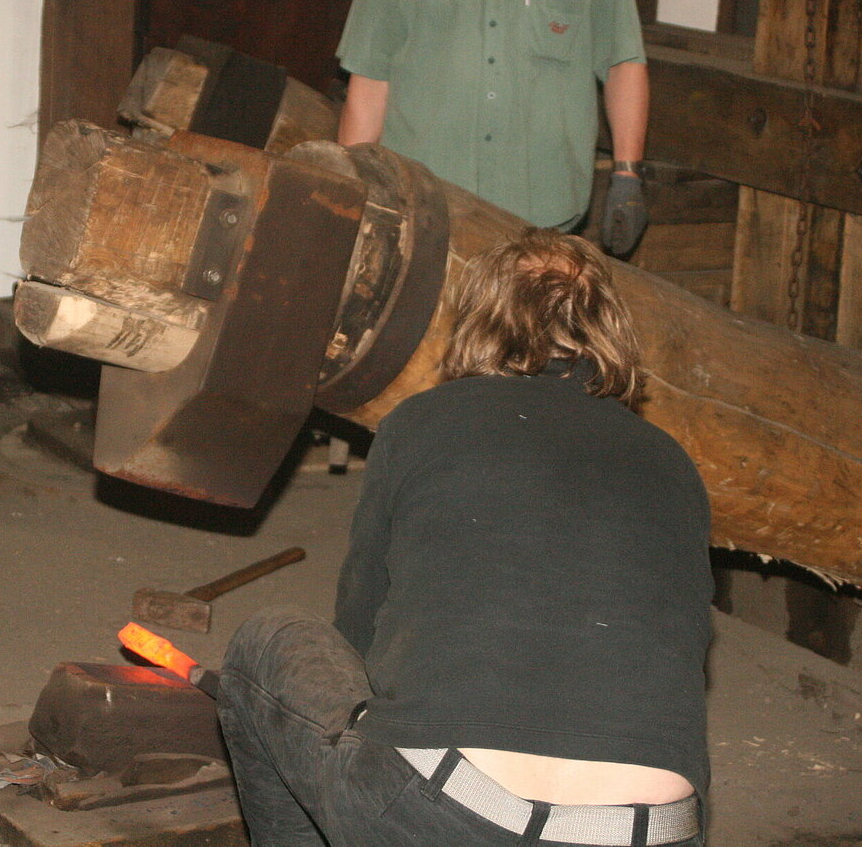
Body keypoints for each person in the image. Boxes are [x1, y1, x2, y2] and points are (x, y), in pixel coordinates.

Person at [217, 228, 713, 846]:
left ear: (484, 321)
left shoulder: (423, 422)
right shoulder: (673, 462)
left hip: (451, 814)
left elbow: (357, 638)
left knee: (267, 642)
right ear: (605, 327)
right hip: (652, 832)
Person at [336, 0, 650, 258]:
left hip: (543, 219)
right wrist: (352, 192)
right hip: (423, 214)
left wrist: (627, 176)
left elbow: (622, 65)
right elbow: (369, 83)